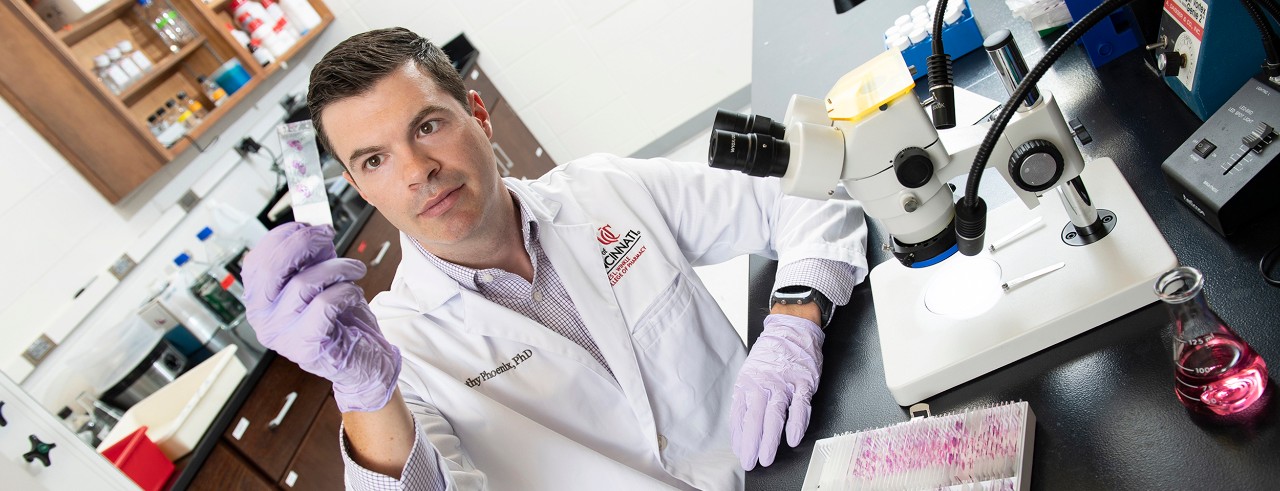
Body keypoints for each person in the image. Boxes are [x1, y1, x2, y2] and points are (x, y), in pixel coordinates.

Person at [242, 27, 868, 490]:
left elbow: (804, 194)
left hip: (785, 464)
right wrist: (360, 393)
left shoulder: (603, 191)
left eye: (428, 126)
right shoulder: (398, 351)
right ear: (358, 186)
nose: (417, 172)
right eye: (374, 160)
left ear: (477, 115)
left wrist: (794, 319)